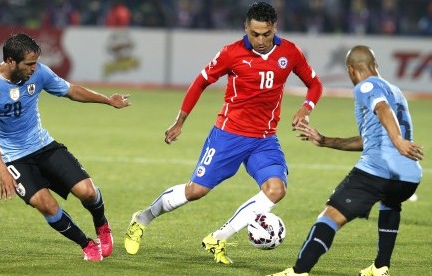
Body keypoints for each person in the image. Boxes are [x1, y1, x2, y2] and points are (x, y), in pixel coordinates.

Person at [124, 1, 322, 264]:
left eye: (266, 34)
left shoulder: (290, 52)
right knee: (195, 191)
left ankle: (218, 237)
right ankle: (142, 219)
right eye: (254, 34)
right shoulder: (232, 53)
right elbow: (201, 82)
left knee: (276, 189)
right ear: (246, 28)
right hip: (229, 136)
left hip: (264, 140)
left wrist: (306, 108)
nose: (260, 40)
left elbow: (315, 84)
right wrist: (180, 121)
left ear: (275, 27)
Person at [0, 33, 131, 262]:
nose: (35, 68)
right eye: (29, 64)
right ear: (10, 61)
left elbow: (71, 90)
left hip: (43, 145)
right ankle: (86, 244)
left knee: (87, 191)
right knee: (45, 204)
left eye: (36, 62)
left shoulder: (40, 73)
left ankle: (102, 224)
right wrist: (2, 169)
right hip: (13, 157)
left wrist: (107, 100)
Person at [270, 45, 423, 276]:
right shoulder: (396, 90)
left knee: (330, 216)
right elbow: (369, 139)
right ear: (376, 65)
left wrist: (398, 141)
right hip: (408, 177)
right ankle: (381, 267)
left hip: (378, 171)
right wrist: (325, 140)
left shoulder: (366, 85)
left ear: (351, 70)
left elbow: (382, 109)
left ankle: (298, 272)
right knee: (390, 202)